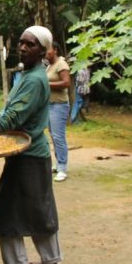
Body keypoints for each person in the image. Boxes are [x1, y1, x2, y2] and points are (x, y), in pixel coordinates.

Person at [0, 26, 64, 264]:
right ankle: (50, 261)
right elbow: (12, 113)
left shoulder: (35, 79)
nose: (22, 48)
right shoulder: (28, 74)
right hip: (27, 153)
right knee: (39, 209)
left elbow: (14, 116)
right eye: (21, 43)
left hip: (28, 155)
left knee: (8, 214)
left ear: (42, 50)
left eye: (30, 44)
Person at [46, 42, 71, 182]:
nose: (46, 52)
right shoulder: (49, 66)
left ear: (55, 50)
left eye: (48, 50)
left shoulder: (61, 64)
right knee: (53, 137)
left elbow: (66, 83)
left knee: (58, 137)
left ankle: (62, 168)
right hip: (49, 105)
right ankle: (58, 163)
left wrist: (46, 84)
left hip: (59, 106)